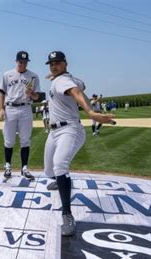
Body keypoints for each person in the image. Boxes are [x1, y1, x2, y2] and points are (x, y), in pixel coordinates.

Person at [43, 51, 115, 236]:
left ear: (65, 63)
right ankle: (60, 182)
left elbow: (76, 92)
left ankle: (67, 214)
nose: (54, 65)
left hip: (70, 129)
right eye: (52, 63)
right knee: (49, 171)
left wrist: (90, 112)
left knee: (60, 166)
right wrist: (64, 76)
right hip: (54, 132)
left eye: (58, 62)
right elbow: (81, 85)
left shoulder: (62, 81)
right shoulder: (63, 79)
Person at [0, 51, 41, 181]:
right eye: (20, 61)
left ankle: (24, 168)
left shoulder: (33, 76)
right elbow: (1, 92)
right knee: (9, 140)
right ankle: (8, 167)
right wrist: (1, 108)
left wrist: (32, 93)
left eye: (25, 62)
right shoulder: (7, 74)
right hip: (10, 108)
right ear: (16, 61)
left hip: (26, 108)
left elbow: (37, 97)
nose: (23, 64)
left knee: (25, 140)